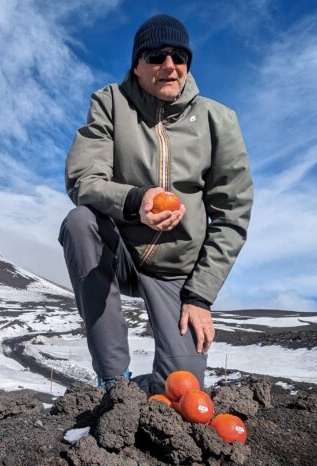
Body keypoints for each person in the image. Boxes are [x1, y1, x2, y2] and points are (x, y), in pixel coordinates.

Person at [59, 14, 253, 394]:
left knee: (181, 390)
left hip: (178, 273)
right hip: (121, 252)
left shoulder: (219, 120)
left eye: (179, 56)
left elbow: (232, 214)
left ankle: (149, 389)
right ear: (137, 63)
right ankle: (115, 382)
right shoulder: (110, 103)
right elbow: (84, 180)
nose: (170, 66)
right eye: (156, 55)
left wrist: (200, 296)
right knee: (80, 222)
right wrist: (135, 199)